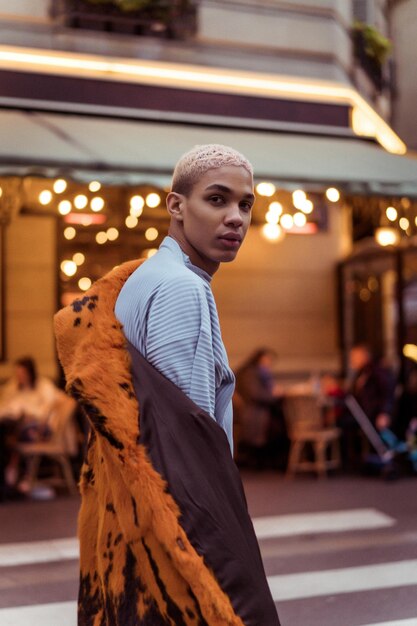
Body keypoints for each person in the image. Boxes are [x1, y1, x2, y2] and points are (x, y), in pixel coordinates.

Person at [54, 145, 280, 626]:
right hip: (178, 534)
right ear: (176, 205)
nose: (236, 218)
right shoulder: (182, 287)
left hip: (130, 521)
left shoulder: (142, 279)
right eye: (217, 200)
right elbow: (188, 451)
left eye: (245, 205)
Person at [0, 357, 61, 492]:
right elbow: (5, 406)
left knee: (23, 434)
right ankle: (13, 473)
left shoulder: (44, 386)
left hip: (41, 427)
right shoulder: (14, 387)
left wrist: (31, 414)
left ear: (30, 373)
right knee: (11, 433)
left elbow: (50, 408)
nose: (20, 377)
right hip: (20, 426)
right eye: (18, 374)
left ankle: (17, 471)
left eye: (22, 374)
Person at [235, 348, 287, 468]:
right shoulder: (251, 373)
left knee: (282, 422)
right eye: (268, 359)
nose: (269, 363)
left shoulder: (262, 374)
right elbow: (256, 395)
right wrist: (275, 395)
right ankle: (273, 462)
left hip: (261, 409)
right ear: (259, 359)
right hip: (254, 412)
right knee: (281, 427)